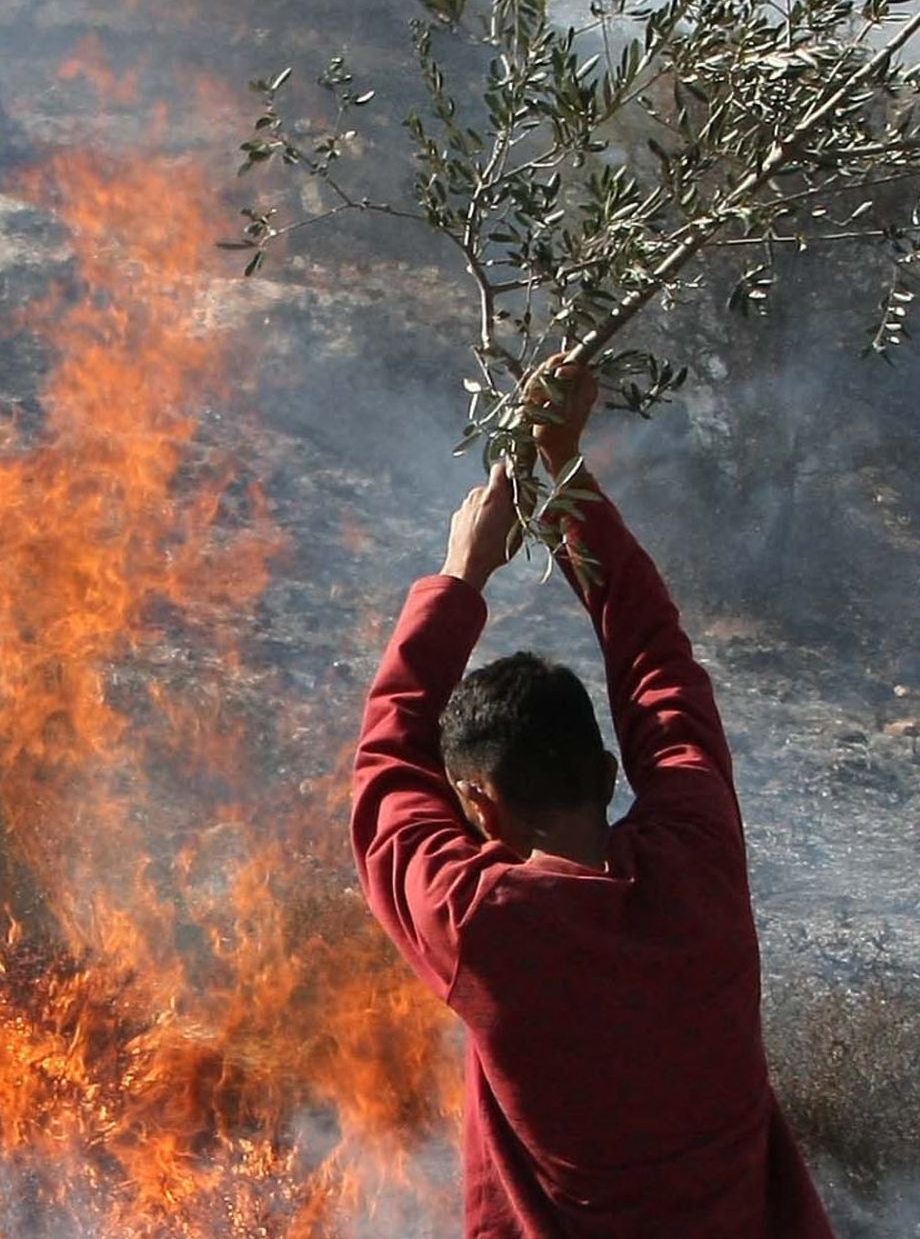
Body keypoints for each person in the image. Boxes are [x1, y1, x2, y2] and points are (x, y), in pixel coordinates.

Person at [351, 360, 835, 1238]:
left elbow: (385, 763)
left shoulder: (483, 924)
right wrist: (563, 473)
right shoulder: (700, 863)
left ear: (478, 804)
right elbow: (657, 665)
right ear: (609, 774)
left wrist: (462, 574)